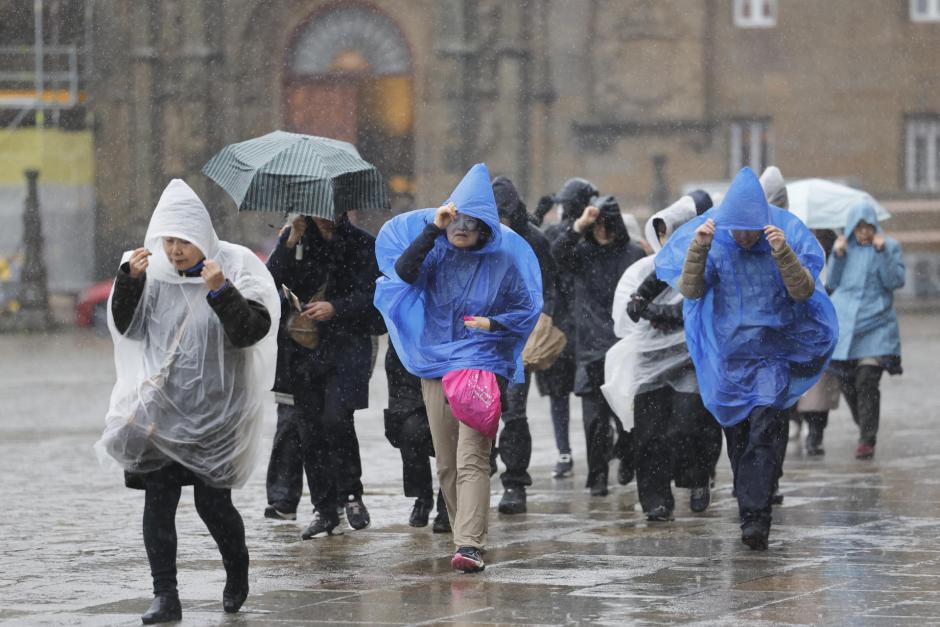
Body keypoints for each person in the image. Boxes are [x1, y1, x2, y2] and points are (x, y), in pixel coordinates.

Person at [95, 180, 278, 623]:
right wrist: (129, 283)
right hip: (162, 412)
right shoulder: (149, 272)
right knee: (159, 500)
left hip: (217, 413)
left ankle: (237, 572)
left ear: (203, 238)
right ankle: (165, 595)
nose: (175, 250)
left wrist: (221, 291)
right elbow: (129, 329)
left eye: (184, 241)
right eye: (169, 240)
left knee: (213, 505)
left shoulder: (235, 267)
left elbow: (251, 332)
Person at [655, 167, 837, 550]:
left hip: (772, 357)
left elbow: (804, 291)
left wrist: (783, 254)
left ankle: (756, 518)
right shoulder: (717, 244)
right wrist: (700, 247)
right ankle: (751, 502)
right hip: (730, 359)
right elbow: (691, 289)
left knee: (764, 427)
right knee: (739, 438)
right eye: (736, 228)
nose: (743, 236)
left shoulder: (780, 242)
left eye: (749, 228)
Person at [374, 163, 542, 573]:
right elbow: (405, 272)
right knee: (447, 462)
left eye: (472, 220)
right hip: (436, 366)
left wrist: (494, 324)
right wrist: (433, 229)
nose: (462, 227)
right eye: (456, 218)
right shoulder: (435, 253)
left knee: (473, 456)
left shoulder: (503, 262)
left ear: (485, 226)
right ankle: (462, 534)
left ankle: (470, 544)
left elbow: (526, 309)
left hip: (482, 366)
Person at [264, 212, 383, 539]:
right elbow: (268, 282)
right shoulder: (297, 240)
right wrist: (287, 242)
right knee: (308, 428)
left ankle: (350, 494)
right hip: (302, 350)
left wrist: (336, 308)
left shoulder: (362, 244)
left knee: (336, 418)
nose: (326, 219)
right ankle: (324, 508)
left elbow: (375, 298)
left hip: (347, 348)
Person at [603, 194, 722, 522]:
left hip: (689, 359)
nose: (668, 239)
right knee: (649, 433)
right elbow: (630, 308)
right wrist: (644, 305)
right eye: (663, 232)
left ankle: (696, 477)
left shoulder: (706, 264)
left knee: (685, 427)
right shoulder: (647, 268)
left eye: (673, 231)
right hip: (649, 361)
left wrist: (660, 313)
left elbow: (696, 307)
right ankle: (656, 500)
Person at [551, 195, 647, 496]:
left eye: (607, 224)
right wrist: (579, 226)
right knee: (594, 421)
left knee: (626, 416)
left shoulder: (631, 253)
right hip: (590, 346)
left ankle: (628, 456)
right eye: (598, 225)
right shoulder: (581, 253)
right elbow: (558, 254)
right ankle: (598, 476)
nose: (602, 231)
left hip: (623, 345)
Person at [491, 176, 558, 514]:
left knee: (513, 411)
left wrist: (544, 323)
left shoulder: (534, 241)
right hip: (483, 336)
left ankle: (515, 482)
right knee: (479, 407)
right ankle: (485, 461)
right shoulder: (479, 239)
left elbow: (552, 288)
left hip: (520, 339)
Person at [827, 200, 905, 459]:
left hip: (876, 325)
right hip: (847, 325)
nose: (863, 233)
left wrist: (882, 254)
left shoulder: (889, 247)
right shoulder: (843, 248)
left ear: (874, 227)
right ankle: (866, 424)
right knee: (848, 383)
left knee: (867, 379)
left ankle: (867, 439)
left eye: (867, 227)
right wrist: (837, 256)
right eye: (858, 228)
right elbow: (833, 281)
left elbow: (894, 281)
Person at [536, 178, 598, 479]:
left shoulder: (586, 237)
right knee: (572, 394)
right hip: (569, 326)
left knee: (572, 395)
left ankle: (570, 453)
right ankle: (574, 451)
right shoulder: (569, 235)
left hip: (570, 327)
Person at [383, 340, 450, 531]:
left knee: (451, 438)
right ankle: (422, 496)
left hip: (450, 360)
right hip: (407, 364)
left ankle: (447, 501)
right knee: (410, 433)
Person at [798, 227, 840, 455]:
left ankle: (814, 432)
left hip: (820, 328)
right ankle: (807, 428)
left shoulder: (834, 251)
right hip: (797, 327)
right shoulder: (791, 242)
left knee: (818, 388)